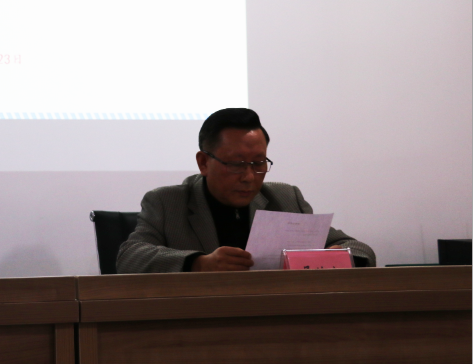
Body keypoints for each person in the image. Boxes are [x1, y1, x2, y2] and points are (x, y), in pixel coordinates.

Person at [116, 108, 375, 273]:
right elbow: (129, 257)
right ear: (204, 162)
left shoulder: (285, 199)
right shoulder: (167, 202)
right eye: (236, 164)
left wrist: (336, 257)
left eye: (259, 163)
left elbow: (360, 249)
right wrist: (198, 263)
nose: (249, 177)